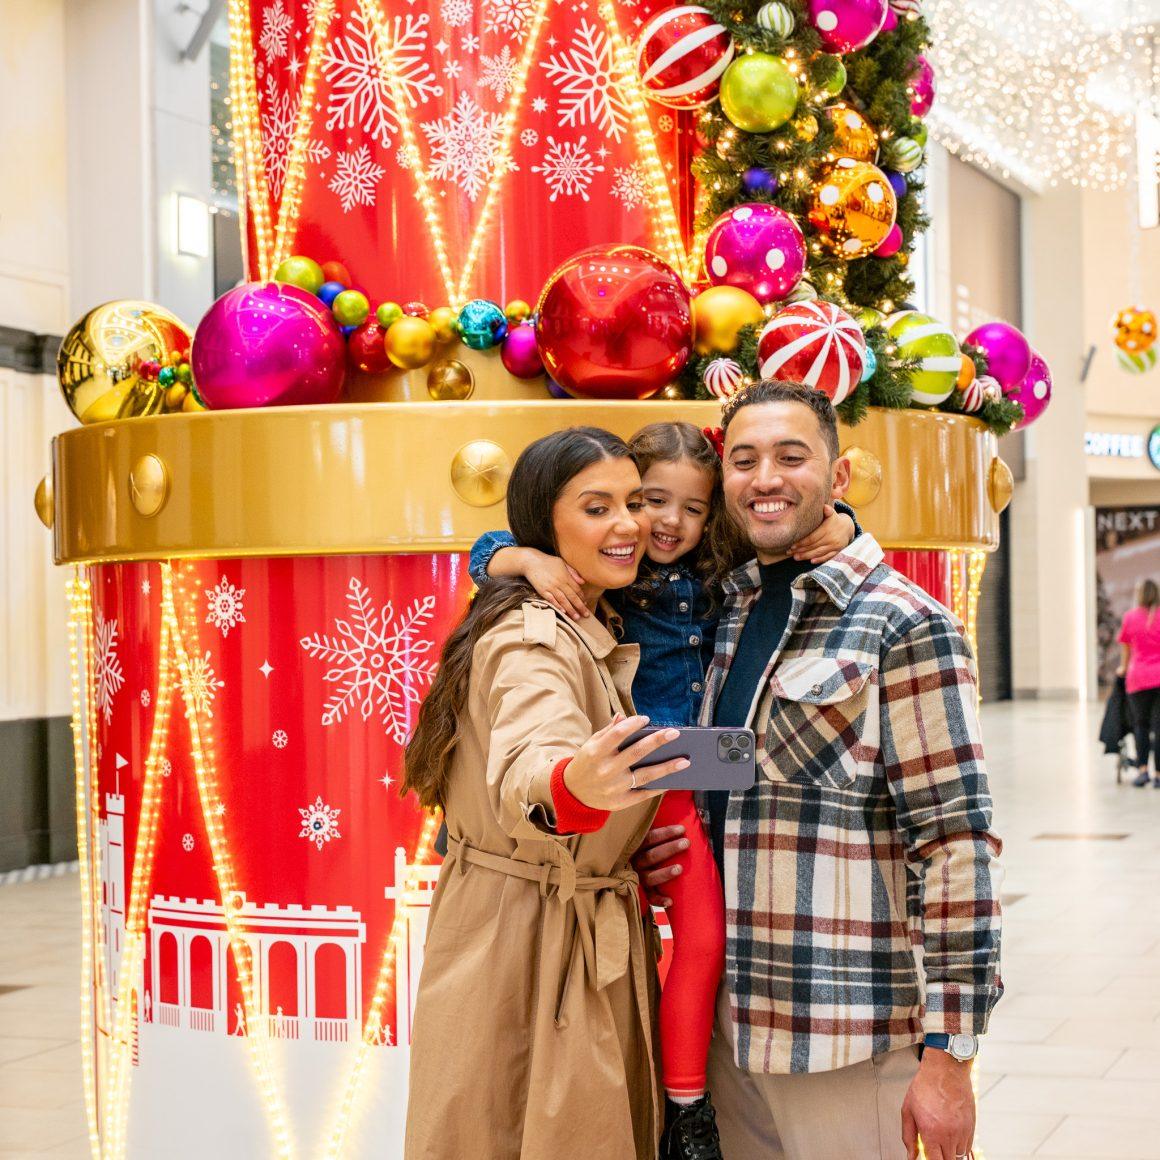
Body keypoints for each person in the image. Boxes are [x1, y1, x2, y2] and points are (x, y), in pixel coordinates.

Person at [470, 421, 859, 1160]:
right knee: (681, 940)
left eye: (693, 507)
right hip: (634, 784)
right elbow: (486, 553)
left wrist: (844, 523)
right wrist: (527, 559)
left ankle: (687, 1097)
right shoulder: (588, 586)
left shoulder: (715, 574)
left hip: (697, 785)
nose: (666, 523)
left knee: (701, 939)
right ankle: (684, 1102)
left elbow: (784, 528)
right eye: (649, 501)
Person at [636, 381, 1004, 1160]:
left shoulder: (904, 622)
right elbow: (738, 775)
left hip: (845, 1037)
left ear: (838, 476)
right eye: (744, 460)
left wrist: (951, 1056)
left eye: (790, 456)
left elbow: (956, 844)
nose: (764, 478)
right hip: (729, 1032)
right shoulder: (728, 610)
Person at [402, 427, 691, 1160]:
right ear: (544, 524)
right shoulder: (533, 638)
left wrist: (619, 836)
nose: (628, 525)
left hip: (556, 918)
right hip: (529, 940)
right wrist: (575, 788)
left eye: (634, 502)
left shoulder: (588, 613)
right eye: (597, 508)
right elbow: (533, 765)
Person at [1118, 578, 1160, 786]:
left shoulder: (1130, 617)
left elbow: (1126, 651)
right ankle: (1159, 775)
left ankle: (1143, 770)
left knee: (1140, 725)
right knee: (1159, 727)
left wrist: (1122, 669)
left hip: (1138, 678)